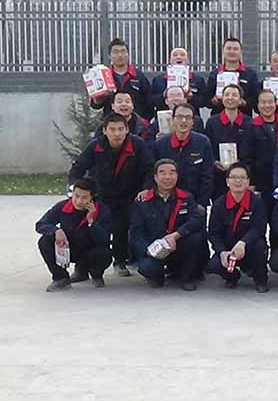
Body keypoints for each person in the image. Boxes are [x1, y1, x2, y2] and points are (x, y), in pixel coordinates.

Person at [69, 112, 153, 277]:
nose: (117, 134)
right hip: (102, 195)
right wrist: (77, 190)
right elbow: (78, 168)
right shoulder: (95, 146)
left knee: (126, 226)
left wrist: (146, 188)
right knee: (91, 226)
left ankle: (123, 261)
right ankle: (83, 267)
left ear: (127, 130)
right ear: (104, 130)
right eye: (112, 129)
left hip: (131, 195)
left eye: (120, 129)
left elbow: (150, 168)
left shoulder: (138, 144)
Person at [130, 159, 205, 291]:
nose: (167, 177)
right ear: (155, 177)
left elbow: (195, 221)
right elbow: (136, 232)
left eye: (172, 173)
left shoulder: (187, 197)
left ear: (177, 175)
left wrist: (176, 235)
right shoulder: (142, 201)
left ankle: (187, 278)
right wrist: (149, 250)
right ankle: (157, 276)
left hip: (178, 246)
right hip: (154, 249)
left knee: (196, 237)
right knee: (149, 268)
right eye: (162, 173)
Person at [34, 178, 112, 291]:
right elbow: (41, 224)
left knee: (104, 253)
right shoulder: (63, 206)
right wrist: (56, 231)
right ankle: (61, 278)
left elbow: (104, 240)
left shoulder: (102, 210)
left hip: (90, 250)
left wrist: (91, 221)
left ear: (92, 198)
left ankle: (95, 275)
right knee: (45, 241)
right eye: (76, 196)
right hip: (69, 248)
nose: (79, 201)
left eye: (84, 198)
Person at [206, 163, 270, 292]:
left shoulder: (257, 202)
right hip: (228, 248)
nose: (238, 181)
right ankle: (232, 277)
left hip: (249, 246)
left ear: (248, 181)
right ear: (227, 181)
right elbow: (214, 233)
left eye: (242, 177)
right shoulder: (219, 204)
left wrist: (243, 243)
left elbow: (258, 228)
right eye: (234, 177)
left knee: (260, 248)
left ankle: (260, 279)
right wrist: (222, 251)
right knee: (213, 265)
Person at [151, 103, 214, 208]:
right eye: (179, 117)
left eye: (188, 117)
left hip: (195, 202)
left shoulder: (203, 142)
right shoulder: (160, 144)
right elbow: (154, 174)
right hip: (167, 202)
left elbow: (208, 177)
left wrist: (200, 204)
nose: (183, 121)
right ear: (173, 119)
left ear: (193, 122)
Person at [241, 90, 278, 219]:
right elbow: (246, 156)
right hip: (261, 181)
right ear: (257, 105)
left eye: (270, 102)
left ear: (275, 104)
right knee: (261, 217)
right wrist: (251, 182)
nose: (267, 105)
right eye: (263, 102)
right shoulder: (251, 126)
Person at [205, 84, 252, 200]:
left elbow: (252, 150)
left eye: (234, 95)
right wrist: (214, 162)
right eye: (226, 95)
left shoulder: (249, 122)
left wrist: (240, 163)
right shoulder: (212, 122)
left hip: (241, 176)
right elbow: (207, 147)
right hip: (218, 176)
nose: (230, 98)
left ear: (241, 100)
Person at [90, 38, 153, 120]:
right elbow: (95, 105)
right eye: (115, 52)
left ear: (128, 54)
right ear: (109, 56)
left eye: (123, 51)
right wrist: (98, 100)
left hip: (135, 124)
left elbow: (149, 102)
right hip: (111, 123)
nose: (120, 55)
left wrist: (144, 122)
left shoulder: (138, 76)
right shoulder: (103, 76)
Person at [205, 37, 260, 116]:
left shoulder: (250, 74)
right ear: (223, 51)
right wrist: (213, 101)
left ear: (241, 52)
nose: (232, 51)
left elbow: (256, 99)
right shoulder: (214, 74)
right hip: (218, 118)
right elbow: (206, 100)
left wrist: (245, 102)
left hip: (244, 118)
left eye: (235, 49)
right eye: (229, 48)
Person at [150, 47, 209, 117]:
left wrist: (192, 97)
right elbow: (151, 101)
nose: (178, 57)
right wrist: (165, 95)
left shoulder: (197, 79)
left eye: (182, 55)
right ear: (170, 60)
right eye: (175, 55)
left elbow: (204, 101)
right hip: (165, 116)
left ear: (188, 60)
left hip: (190, 117)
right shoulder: (158, 80)